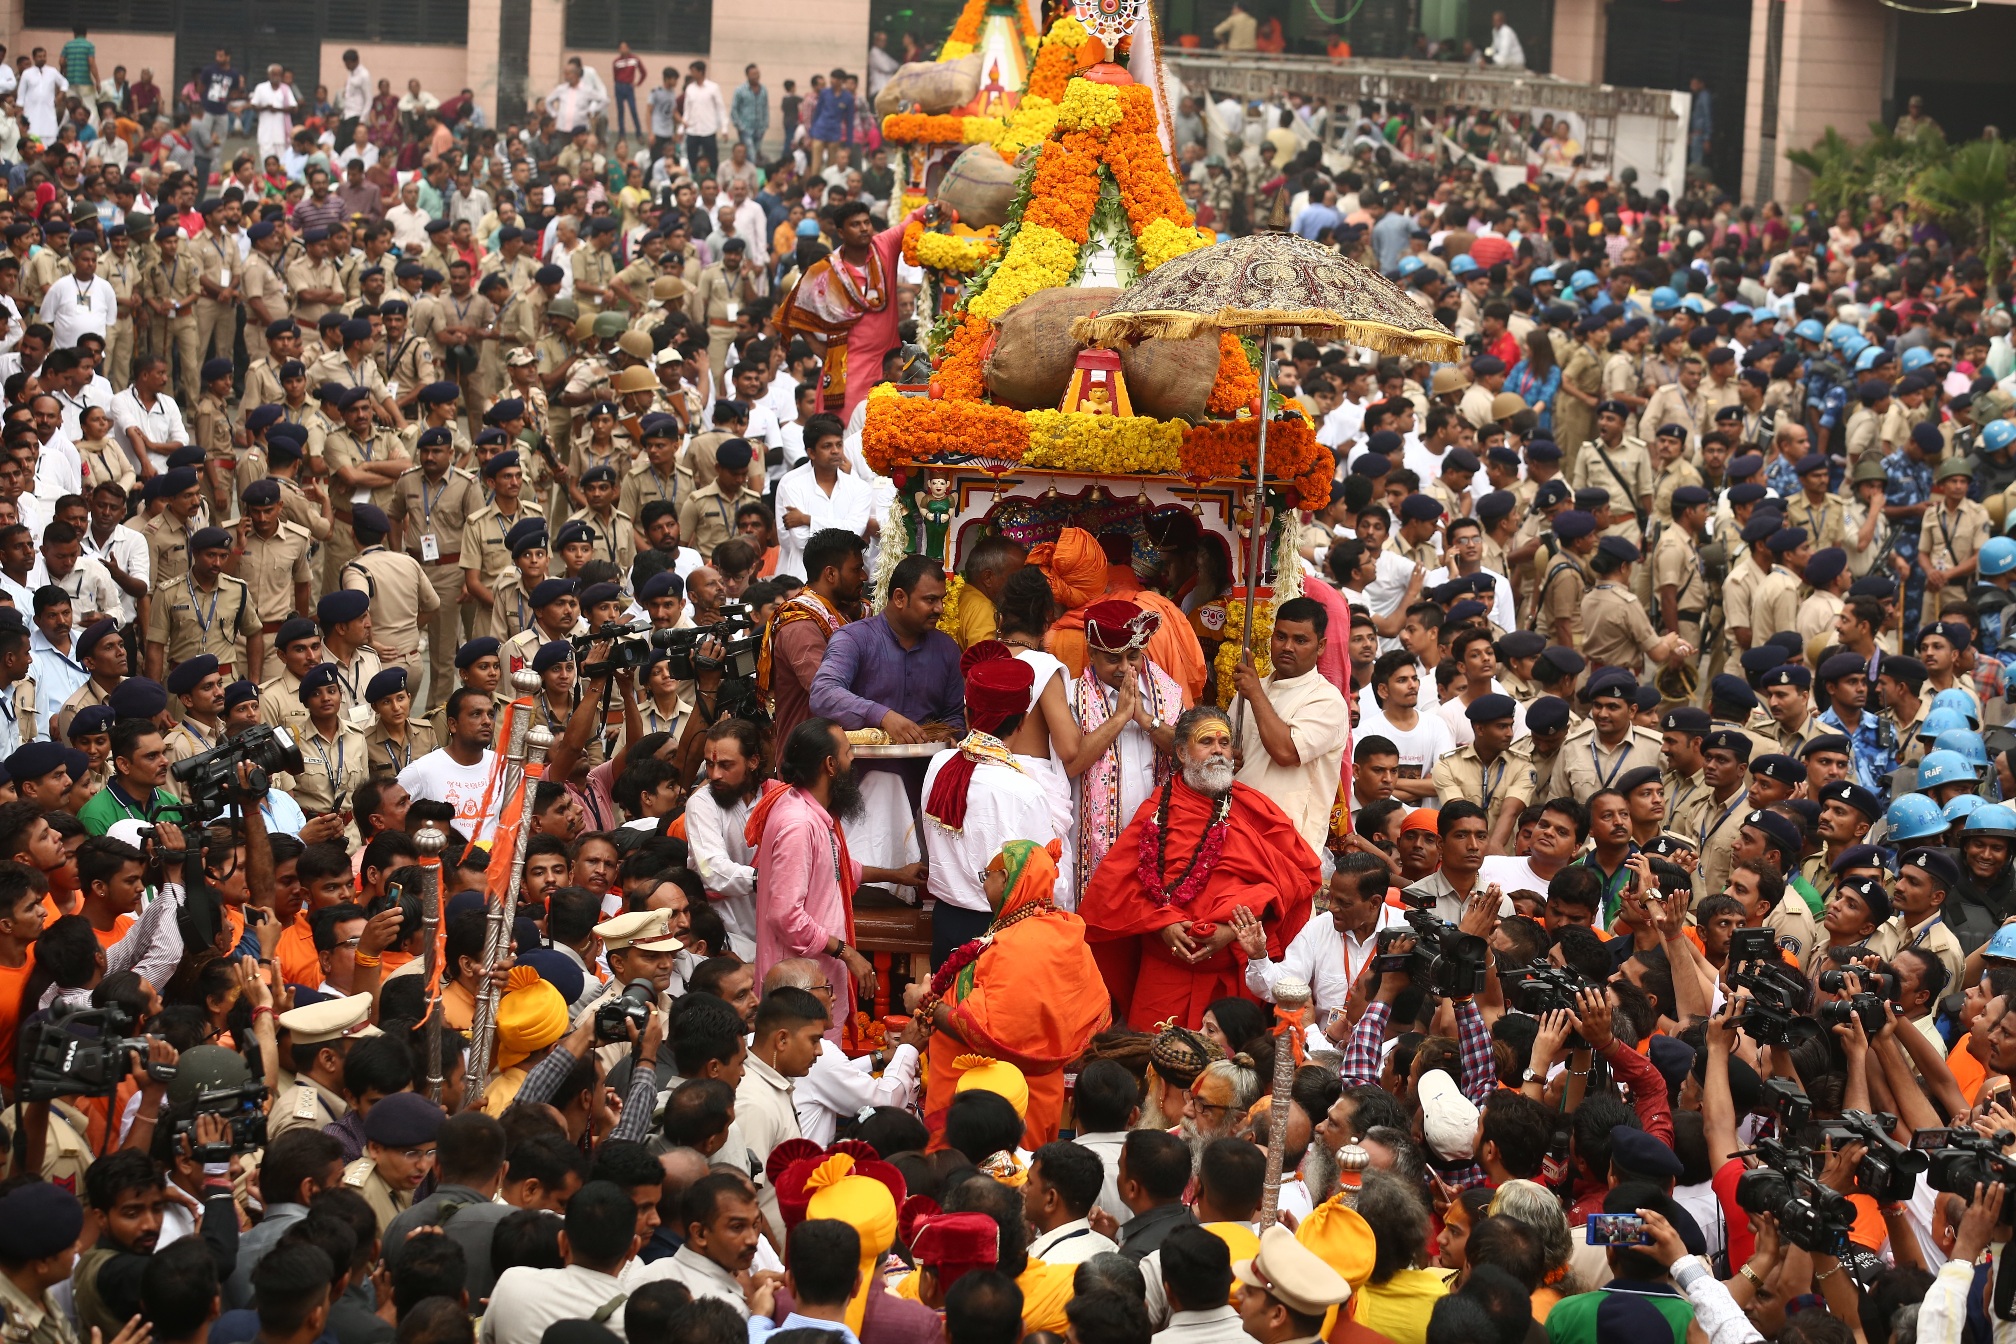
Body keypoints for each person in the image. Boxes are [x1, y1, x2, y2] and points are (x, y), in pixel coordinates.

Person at [1079, 706, 1318, 1029]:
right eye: (1206, 741)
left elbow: (1294, 882)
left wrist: (1231, 930)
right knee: (1153, 1065)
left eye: (1224, 742)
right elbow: (1113, 893)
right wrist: (1161, 924)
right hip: (1165, 971)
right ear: (1180, 751)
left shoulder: (1253, 808)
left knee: (1227, 1072)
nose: (1218, 750)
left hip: (1231, 975)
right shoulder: (1154, 813)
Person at [911, 838, 1109, 1149]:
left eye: (986, 875)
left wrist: (925, 1002)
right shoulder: (1061, 931)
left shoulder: (1020, 944)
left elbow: (987, 1034)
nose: (984, 882)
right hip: (1031, 1098)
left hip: (995, 1109)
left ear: (1005, 879)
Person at [1231, 596, 1349, 855]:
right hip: (1236, 830)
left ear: (1321, 646)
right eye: (1281, 637)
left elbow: (1286, 752)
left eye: (1301, 640)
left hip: (1288, 844)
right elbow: (1227, 750)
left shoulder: (1327, 700)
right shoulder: (1253, 688)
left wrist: (1254, 693)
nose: (1287, 647)